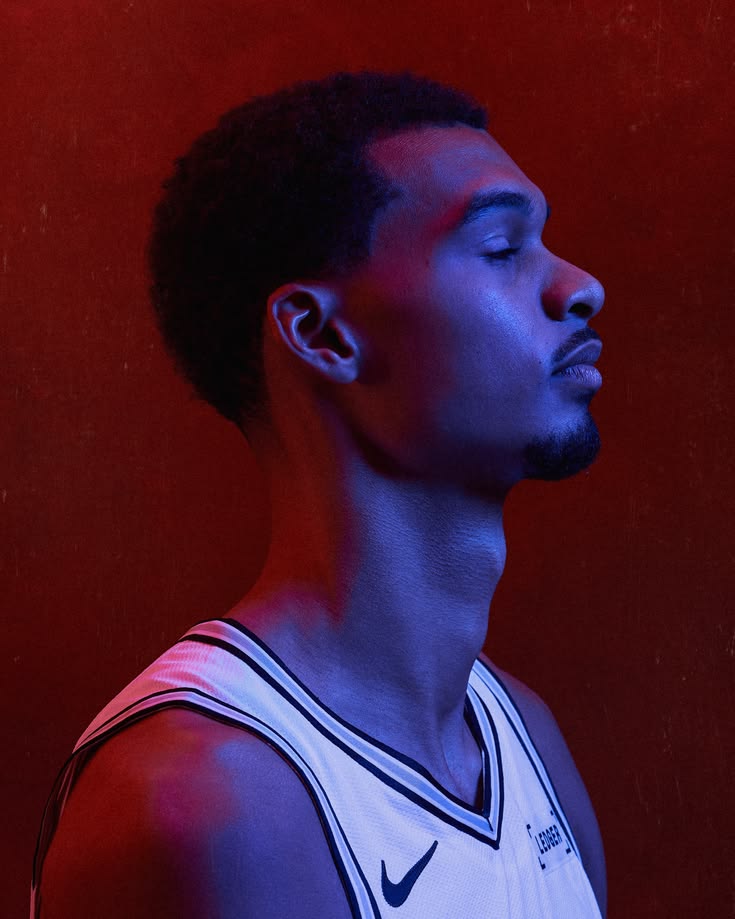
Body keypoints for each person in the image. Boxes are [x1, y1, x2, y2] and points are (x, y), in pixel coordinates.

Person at [32, 71, 607, 918]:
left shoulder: (524, 739)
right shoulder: (202, 802)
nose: (579, 286)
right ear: (323, 333)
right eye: (499, 248)